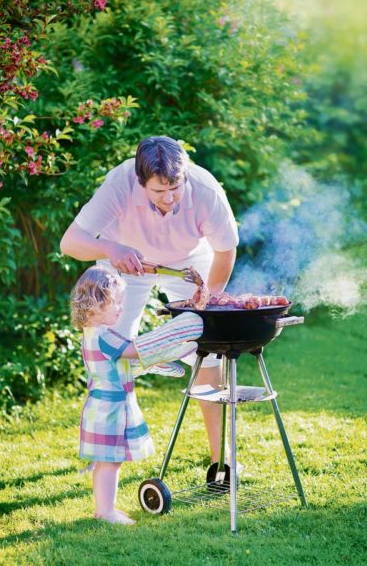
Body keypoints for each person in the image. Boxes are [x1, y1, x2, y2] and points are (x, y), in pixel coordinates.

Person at [60, 136, 239, 463]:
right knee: (107, 352)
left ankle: (221, 457)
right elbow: (70, 243)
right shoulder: (120, 183)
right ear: (140, 181)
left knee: (210, 353)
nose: (169, 198)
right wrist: (112, 249)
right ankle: (104, 452)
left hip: (189, 263)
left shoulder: (206, 191)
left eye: (176, 188)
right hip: (125, 260)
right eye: (158, 191)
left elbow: (226, 251)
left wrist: (209, 296)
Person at [71, 265, 203, 525]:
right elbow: (136, 351)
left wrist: (163, 357)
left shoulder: (94, 333)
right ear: (97, 304)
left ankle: (105, 509)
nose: (121, 308)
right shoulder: (104, 337)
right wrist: (174, 339)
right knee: (110, 462)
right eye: (117, 302)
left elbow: (128, 361)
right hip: (110, 409)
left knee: (109, 461)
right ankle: (105, 512)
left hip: (105, 405)